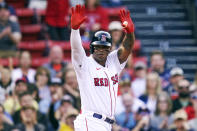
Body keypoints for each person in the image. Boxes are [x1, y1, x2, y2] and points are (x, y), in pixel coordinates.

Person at [70, 4, 135, 131]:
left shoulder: (113, 62)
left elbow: (127, 47)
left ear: (109, 48)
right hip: (90, 121)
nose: (101, 50)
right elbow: (76, 49)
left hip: (107, 123)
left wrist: (130, 33)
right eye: (98, 46)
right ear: (92, 47)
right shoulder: (85, 64)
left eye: (104, 47)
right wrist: (75, 29)